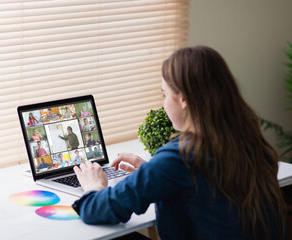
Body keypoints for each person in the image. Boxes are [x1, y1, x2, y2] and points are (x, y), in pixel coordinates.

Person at [71, 46, 288, 240]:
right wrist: (152, 171)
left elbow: (97, 209)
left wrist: (94, 186)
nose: (164, 103)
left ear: (183, 99)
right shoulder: (249, 140)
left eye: (165, 94)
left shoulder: (181, 157)